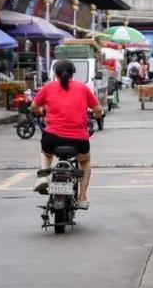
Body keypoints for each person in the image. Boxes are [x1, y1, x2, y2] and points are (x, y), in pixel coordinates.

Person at [31, 60, 104, 210]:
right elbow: (97, 109)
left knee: (45, 152)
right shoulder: (83, 88)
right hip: (79, 140)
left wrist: (40, 112)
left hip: (52, 138)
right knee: (85, 161)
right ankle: (82, 197)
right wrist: (99, 114)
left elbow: (34, 106)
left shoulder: (48, 87)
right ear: (73, 73)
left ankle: (43, 176)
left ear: (55, 73)